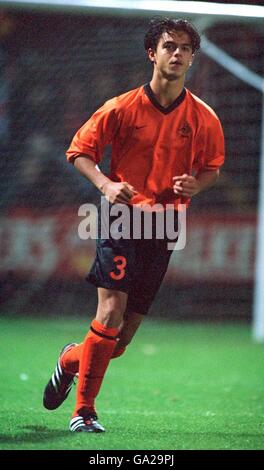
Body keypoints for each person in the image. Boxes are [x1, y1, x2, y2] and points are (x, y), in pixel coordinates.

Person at [43, 18, 225, 433]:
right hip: (122, 217)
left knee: (120, 343)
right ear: (152, 53)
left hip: (165, 224)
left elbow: (213, 168)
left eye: (184, 48)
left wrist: (198, 183)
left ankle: (70, 358)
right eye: (168, 46)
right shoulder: (120, 107)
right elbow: (80, 150)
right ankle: (84, 412)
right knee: (109, 311)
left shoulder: (204, 117)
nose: (176, 53)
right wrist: (105, 184)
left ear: (193, 58)